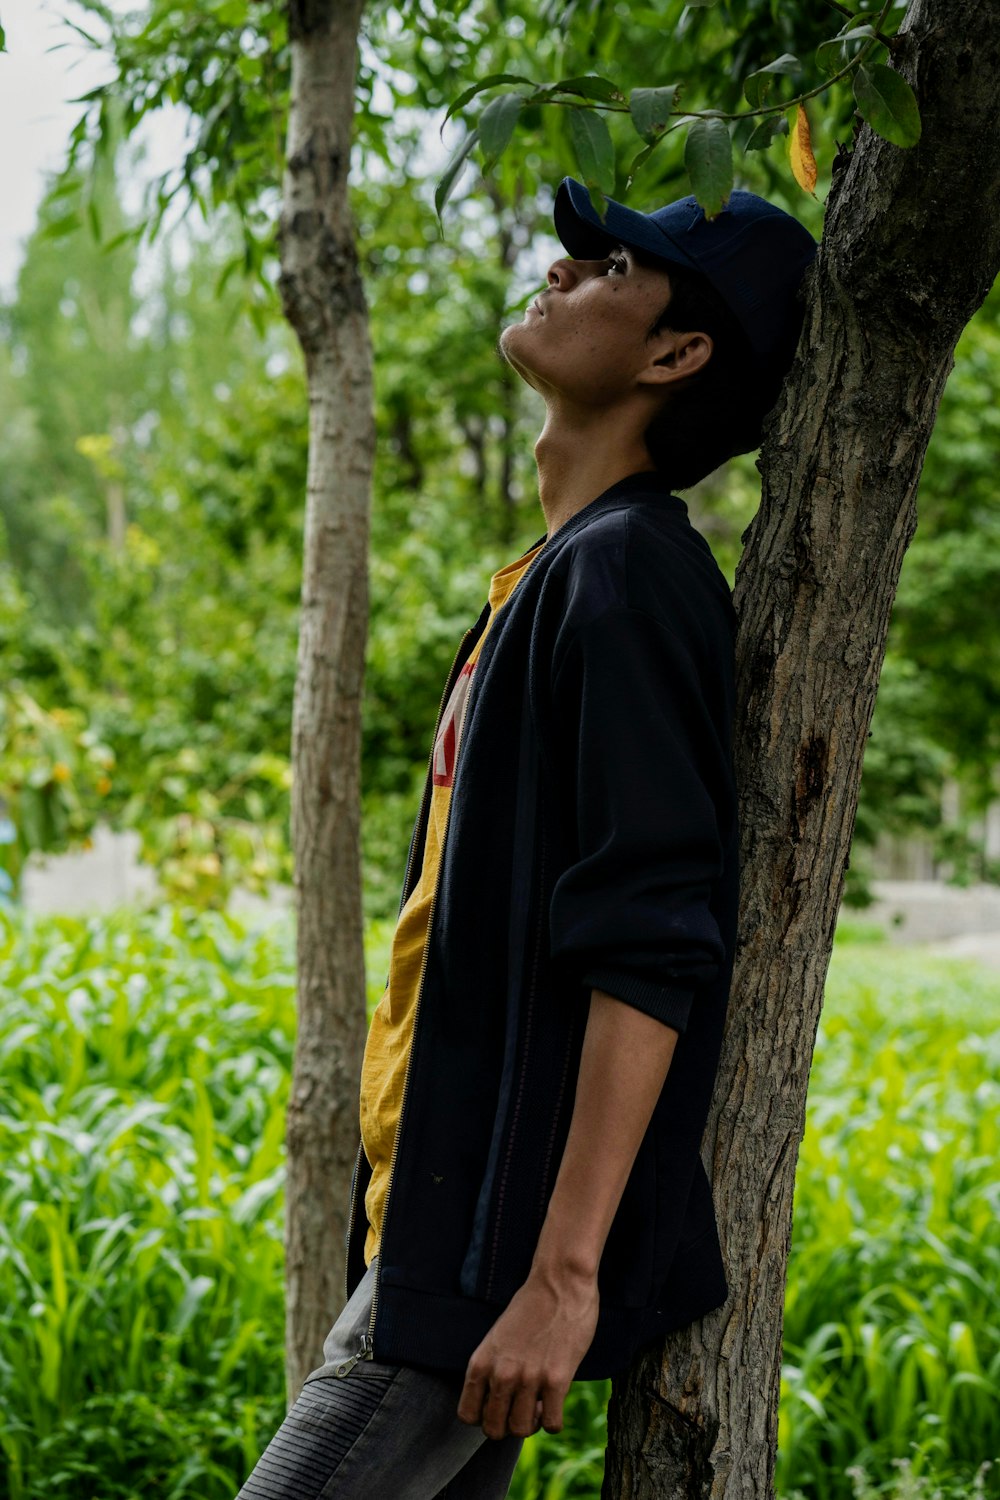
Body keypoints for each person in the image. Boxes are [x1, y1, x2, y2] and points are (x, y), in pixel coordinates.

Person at [236, 175, 817, 1500]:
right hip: (431, 1244)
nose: (559, 274)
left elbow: (656, 939)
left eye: (610, 267)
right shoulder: (552, 577)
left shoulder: (626, 575)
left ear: (678, 355)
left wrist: (561, 1278)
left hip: (478, 1276)